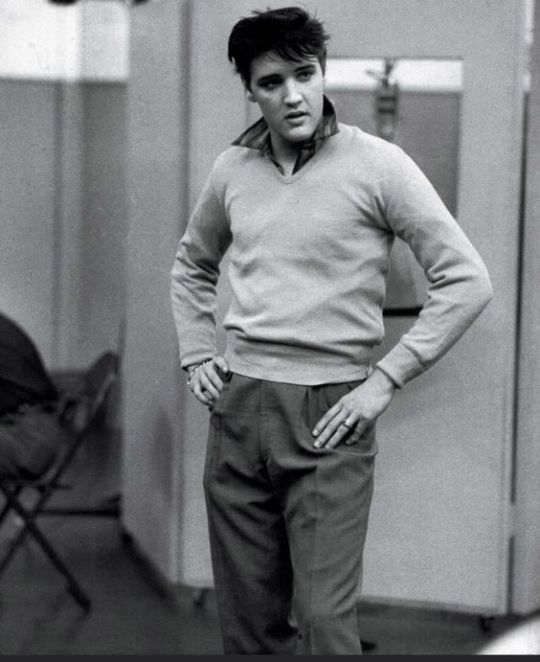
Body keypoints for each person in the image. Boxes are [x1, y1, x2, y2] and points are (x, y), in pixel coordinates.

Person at [170, 6, 493, 655]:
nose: (292, 95)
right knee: (249, 628)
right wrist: (198, 351)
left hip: (330, 417)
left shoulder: (379, 165)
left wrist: (385, 380)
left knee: (323, 622)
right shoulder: (232, 169)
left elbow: (467, 280)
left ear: (322, 73)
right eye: (271, 82)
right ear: (251, 90)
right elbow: (192, 266)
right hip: (240, 408)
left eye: (304, 74)